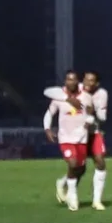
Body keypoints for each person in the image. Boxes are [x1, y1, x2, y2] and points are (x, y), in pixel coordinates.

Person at [44, 71, 90, 211]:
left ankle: (63, 182)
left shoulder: (85, 93)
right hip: (65, 138)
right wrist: (47, 129)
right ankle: (72, 195)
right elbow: (49, 111)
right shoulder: (58, 97)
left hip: (82, 137)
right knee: (73, 163)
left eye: (74, 79)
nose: (71, 82)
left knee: (81, 169)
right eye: (68, 80)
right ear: (65, 81)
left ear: (78, 81)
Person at [82, 72, 110, 210]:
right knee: (77, 167)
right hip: (78, 133)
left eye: (91, 80)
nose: (88, 82)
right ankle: (63, 184)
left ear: (97, 83)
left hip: (94, 133)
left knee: (100, 162)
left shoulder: (102, 94)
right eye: (86, 79)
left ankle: (96, 201)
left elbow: (103, 118)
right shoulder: (77, 91)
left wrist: (93, 111)